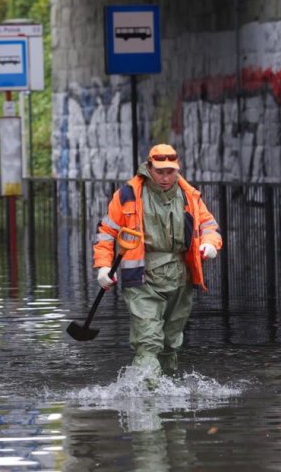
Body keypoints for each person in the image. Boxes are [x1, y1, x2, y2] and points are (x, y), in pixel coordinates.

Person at [92, 144, 222, 383]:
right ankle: (146, 404)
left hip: (180, 279)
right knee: (148, 342)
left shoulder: (188, 195)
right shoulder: (128, 195)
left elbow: (208, 224)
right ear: (148, 168)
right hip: (142, 279)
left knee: (170, 343)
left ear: (177, 169)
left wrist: (210, 243)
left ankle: (168, 401)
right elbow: (107, 233)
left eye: (170, 172)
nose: (165, 177)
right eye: (159, 171)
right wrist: (103, 266)